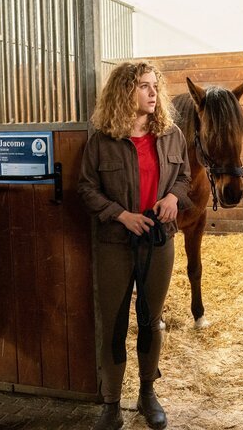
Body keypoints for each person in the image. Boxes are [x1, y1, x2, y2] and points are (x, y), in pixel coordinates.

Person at [78, 61, 192, 430]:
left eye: (154, 86)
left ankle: (147, 393)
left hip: (159, 241)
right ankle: (111, 403)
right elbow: (86, 188)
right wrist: (120, 214)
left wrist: (174, 197)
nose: (153, 93)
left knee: (151, 319)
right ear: (124, 92)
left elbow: (185, 177)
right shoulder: (102, 140)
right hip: (115, 242)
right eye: (143, 86)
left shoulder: (172, 135)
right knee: (113, 321)